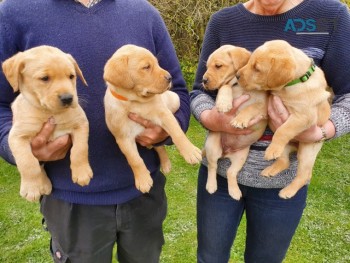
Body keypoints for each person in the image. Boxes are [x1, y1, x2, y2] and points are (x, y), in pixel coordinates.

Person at [0, 0, 190, 262]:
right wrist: (22, 151)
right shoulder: (13, 13)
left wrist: (168, 129)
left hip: (143, 191)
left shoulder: (144, 13)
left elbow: (176, 89)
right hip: (71, 200)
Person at [190, 0, 350, 262]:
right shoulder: (224, 21)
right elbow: (199, 90)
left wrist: (323, 131)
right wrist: (211, 118)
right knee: (209, 258)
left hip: (281, 181)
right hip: (220, 172)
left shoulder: (329, 16)